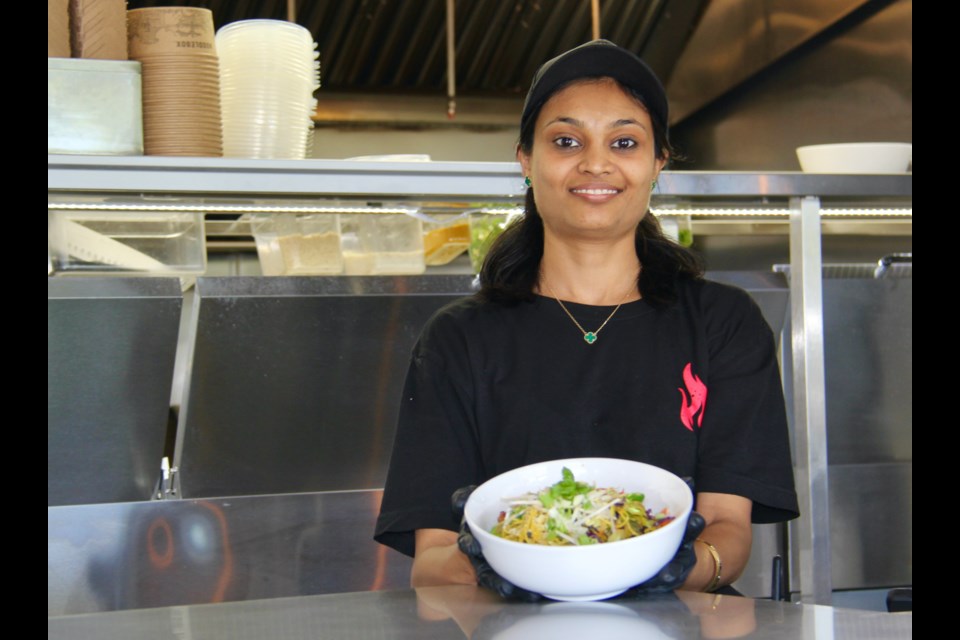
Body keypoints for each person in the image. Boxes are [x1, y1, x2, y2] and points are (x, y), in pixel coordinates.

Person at [374, 39, 799, 596]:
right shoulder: (459, 339)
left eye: (624, 141)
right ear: (526, 160)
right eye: (566, 141)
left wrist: (670, 571)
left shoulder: (722, 322)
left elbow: (728, 533)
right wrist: (493, 568)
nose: (596, 162)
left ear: (657, 164)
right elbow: (431, 561)